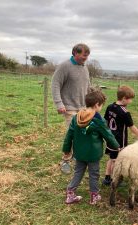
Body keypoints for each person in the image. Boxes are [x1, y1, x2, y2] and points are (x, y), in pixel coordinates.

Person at [63, 88, 120, 205]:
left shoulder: (76, 117)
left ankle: (70, 193)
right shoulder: (98, 120)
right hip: (93, 154)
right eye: (101, 105)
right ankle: (94, 196)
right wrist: (117, 147)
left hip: (79, 153)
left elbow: (69, 135)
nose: (101, 108)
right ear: (96, 105)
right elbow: (108, 135)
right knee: (94, 174)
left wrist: (66, 149)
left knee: (78, 172)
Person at [51, 43, 91, 174]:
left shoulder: (85, 68)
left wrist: (93, 100)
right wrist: (59, 103)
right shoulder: (64, 66)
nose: (85, 59)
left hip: (83, 107)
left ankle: (77, 156)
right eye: (83, 56)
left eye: (87, 57)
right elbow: (55, 84)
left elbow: (87, 86)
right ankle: (66, 160)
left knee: (83, 134)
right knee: (72, 134)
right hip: (68, 107)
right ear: (75, 52)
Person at [102, 85, 138, 185]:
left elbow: (106, 121)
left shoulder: (110, 107)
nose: (131, 102)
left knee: (111, 158)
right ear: (124, 98)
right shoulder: (125, 112)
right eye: (130, 99)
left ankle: (107, 178)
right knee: (115, 160)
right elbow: (132, 127)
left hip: (109, 138)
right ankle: (114, 179)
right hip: (119, 141)